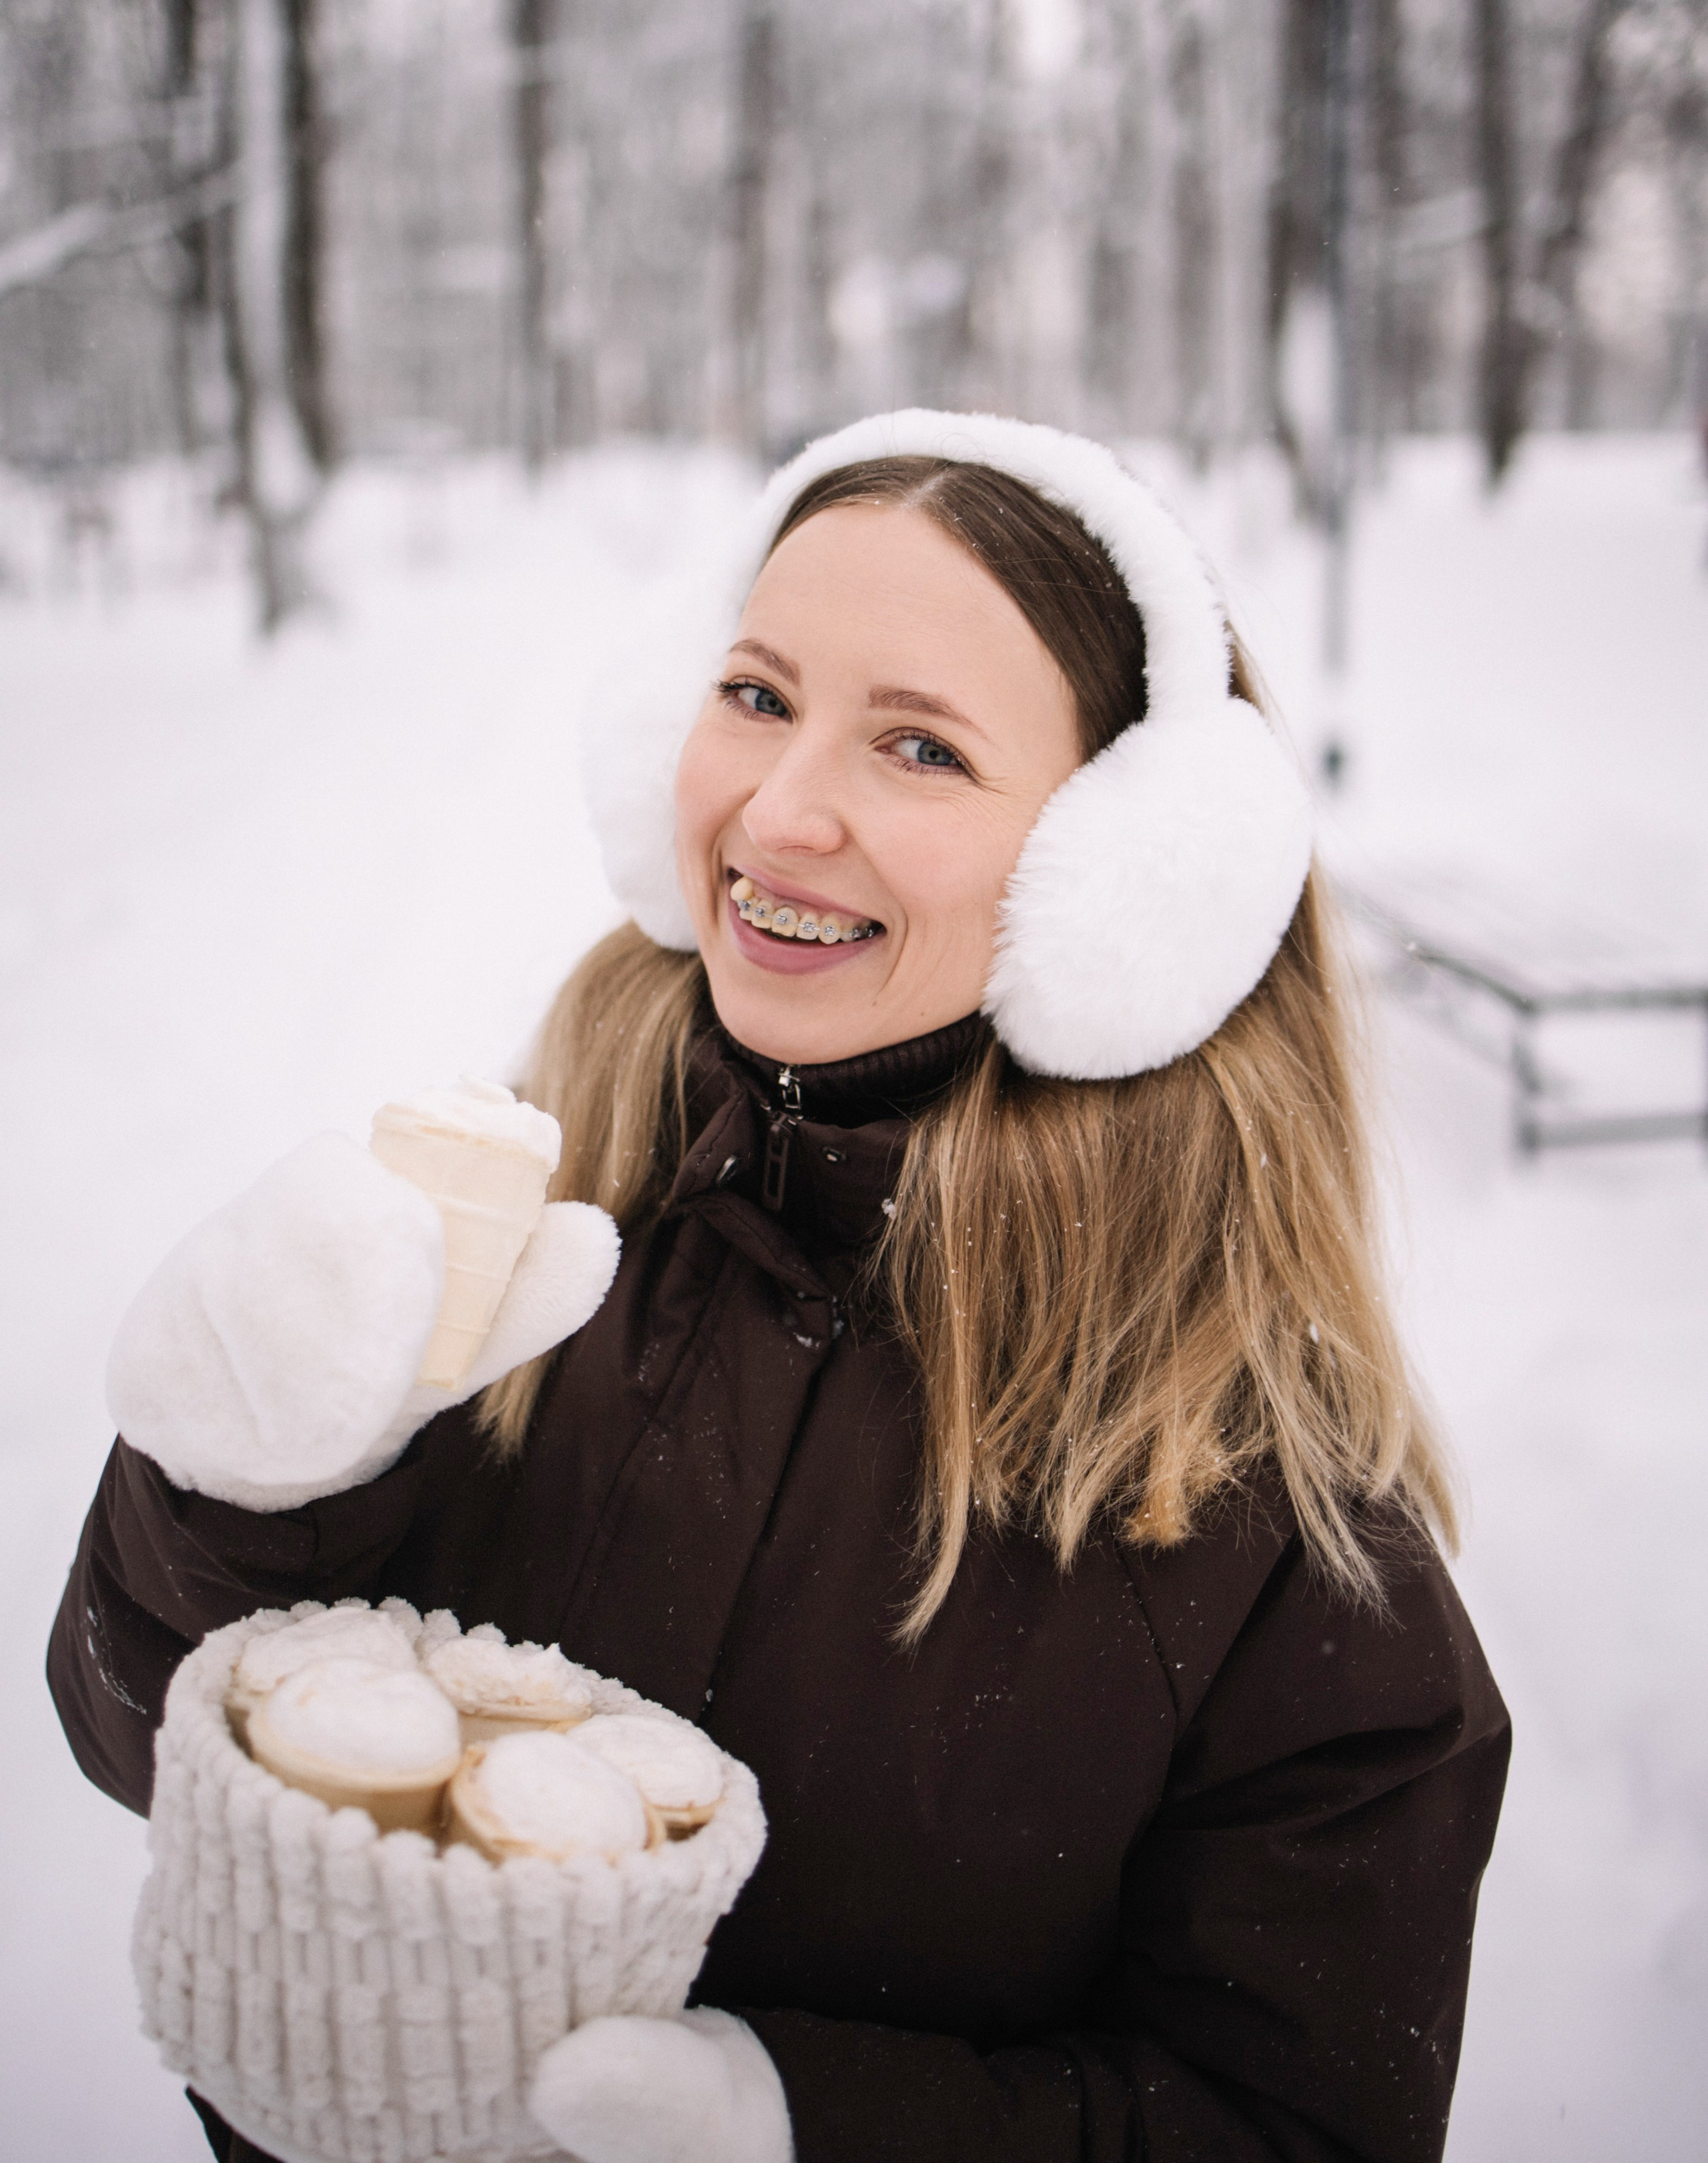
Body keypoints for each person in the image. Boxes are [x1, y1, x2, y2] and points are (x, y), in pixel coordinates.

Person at [51, 411, 1509, 2163]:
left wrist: (798, 2131)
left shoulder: (1279, 1545)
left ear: (1129, 885)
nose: (783, 809)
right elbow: (149, 1749)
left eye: (919, 747)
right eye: (757, 696)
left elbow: (1297, 2127)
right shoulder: (520, 1233)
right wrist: (227, 1495)